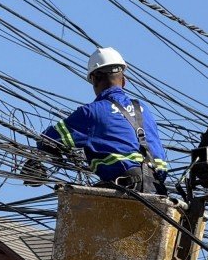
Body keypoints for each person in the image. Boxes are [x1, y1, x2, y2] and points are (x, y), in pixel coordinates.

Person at [22, 47, 168, 194]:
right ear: (124, 81)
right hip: (158, 191)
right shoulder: (143, 109)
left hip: (125, 190)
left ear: (95, 79)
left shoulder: (92, 112)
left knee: (71, 208)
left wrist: (47, 154)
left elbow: (49, 138)